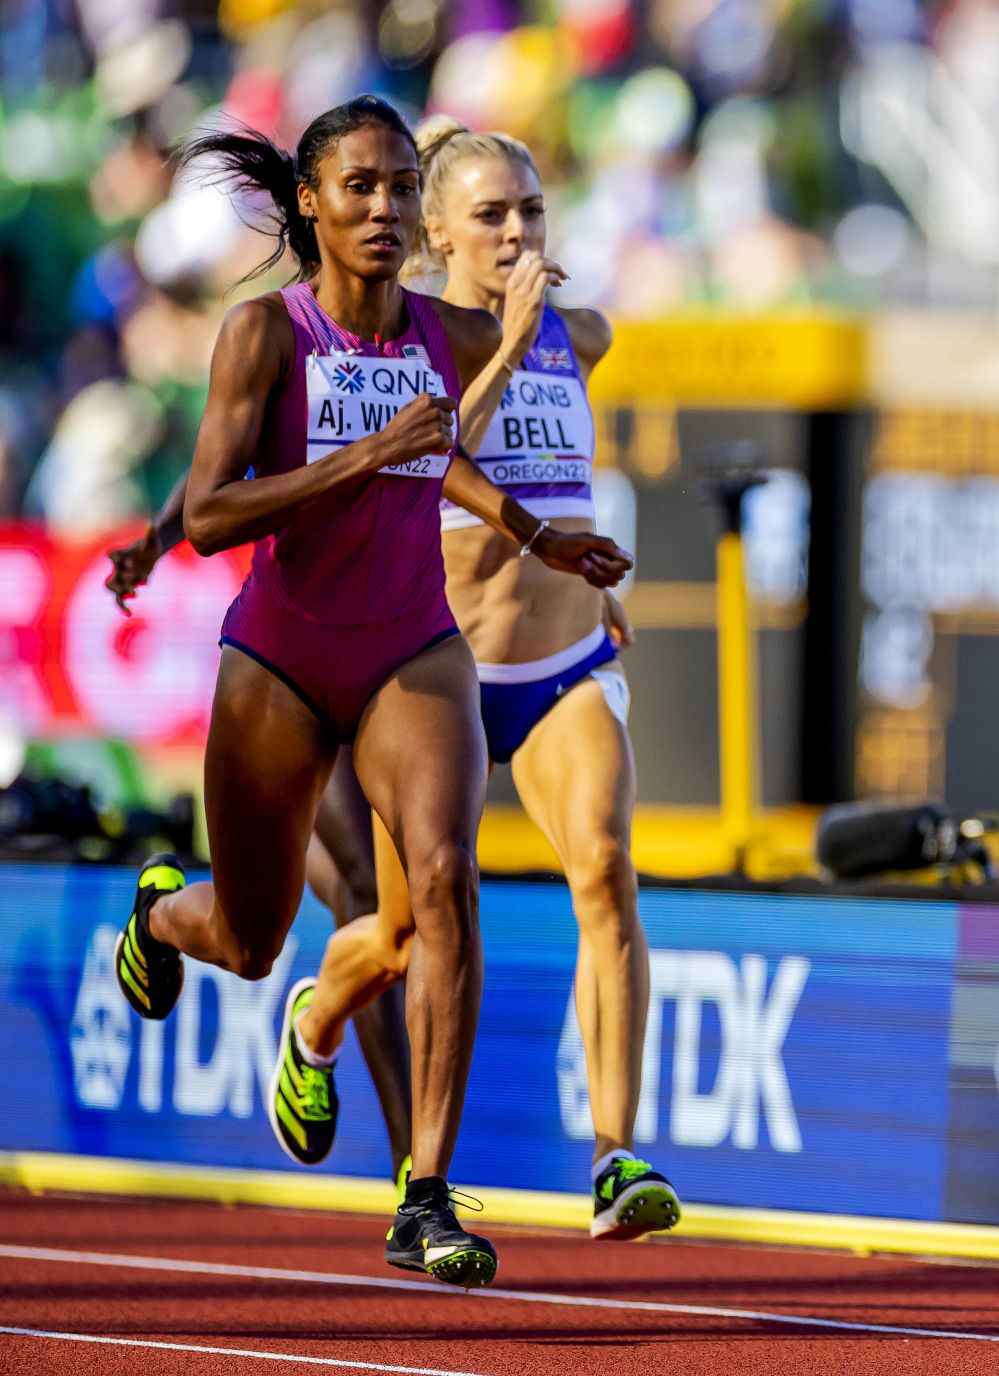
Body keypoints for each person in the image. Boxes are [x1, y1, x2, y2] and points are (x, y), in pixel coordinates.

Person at [108, 94, 630, 1288]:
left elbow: (455, 449)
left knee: (444, 879)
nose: (385, 207)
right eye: (361, 188)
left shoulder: (449, 330)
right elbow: (211, 511)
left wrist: (541, 536)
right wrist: (356, 459)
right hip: (283, 659)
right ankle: (161, 914)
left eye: (401, 186)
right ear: (310, 204)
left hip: (412, 647)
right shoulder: (264, 332)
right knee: (249, 939)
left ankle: (426, 1192)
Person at [274, 115, 679, 1242]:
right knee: (403, 938)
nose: (517, 233)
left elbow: (562, 471)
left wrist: (587, 572)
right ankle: (315, 1019)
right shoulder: (411, 339)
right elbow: (427, 452)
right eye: (491, 214)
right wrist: (506, 341)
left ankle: (614, 1155)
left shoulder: (582, 333)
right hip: (434, 674)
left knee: (605, 870)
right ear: (438, 234)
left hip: (561, 665)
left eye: (532, 211)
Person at [109, 490, 414, 1184]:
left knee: (407, 905)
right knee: (267, 940)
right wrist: (157, 540)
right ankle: (160, 917)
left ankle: (413, 1174)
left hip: (413, 639)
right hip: (300, 652)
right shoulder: (304, 408)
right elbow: (217, 475)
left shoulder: (439, 413)